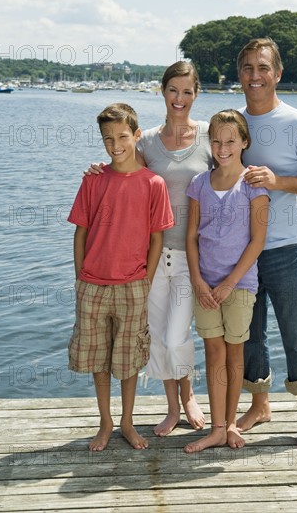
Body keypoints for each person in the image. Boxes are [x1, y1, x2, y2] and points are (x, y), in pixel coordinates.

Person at [85, 62, 212, 436]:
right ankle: (172, 407)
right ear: (162, 91)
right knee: (157, 336)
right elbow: (122, 166)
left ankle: (189, 393)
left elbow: (232, 174)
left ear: (196, 94)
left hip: (193, 256)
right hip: (152, 258)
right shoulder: (147, 141)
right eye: (173, 90)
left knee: (177, 336)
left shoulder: (209, 136)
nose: (180, 98)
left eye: (187, 91)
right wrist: (96, 169)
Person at [237, 38, 297, 455]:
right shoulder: (231, 124)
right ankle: (260, 406)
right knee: (249, 336)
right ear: (239, 74)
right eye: (247, 68)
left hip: (288, 248)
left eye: (263, 68)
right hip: (242, 251)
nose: (254, 76)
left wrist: (277, 182)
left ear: (277, 73)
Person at [68, 103, 174, 451]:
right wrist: (81, 277)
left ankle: (128, 422)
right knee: (98, 360)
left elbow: (157, 237)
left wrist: (146, 279)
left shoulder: (153, 183)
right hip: (93, 285)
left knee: (128, 361)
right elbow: (80, 232)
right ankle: (106, 422)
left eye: (122, 137)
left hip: (133, 285)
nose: (115, 145)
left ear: (136, 136)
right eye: (107, 138)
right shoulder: (94, 179)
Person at [184, 109, 269, 453]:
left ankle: (231, 423)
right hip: (204, 285)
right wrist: (200, 282)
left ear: (244, 143)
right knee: (213, 353)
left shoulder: (253, 185)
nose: (222, 147)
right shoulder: (199, 184)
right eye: (216, 141)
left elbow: (257, 241)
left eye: (230, 141)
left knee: (235, 355)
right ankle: (217, 428)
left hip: (239, 286)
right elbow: (191, 238)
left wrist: (229, 284)